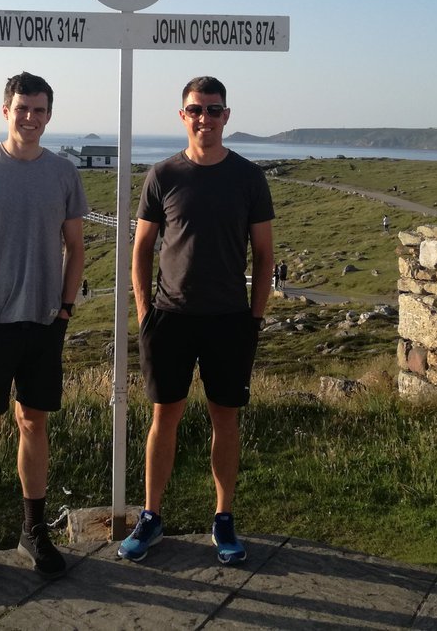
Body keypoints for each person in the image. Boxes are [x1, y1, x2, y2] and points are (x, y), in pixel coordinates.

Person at [118, 76, 274, 565]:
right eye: (195, 109)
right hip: (170, 319)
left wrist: (254, 318)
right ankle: (151, 516)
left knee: (224, 419)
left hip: (229, 320)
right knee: (164, 417)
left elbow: (266, 256)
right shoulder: (163, 175)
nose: (204, 117)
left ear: (227, 115)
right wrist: (145, 312)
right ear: (181, 115)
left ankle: (224, 518)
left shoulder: (249, 177)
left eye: (213, 109)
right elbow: (141, 250)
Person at [0, 72, 88, 595]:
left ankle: (32, 532)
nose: (31, 118)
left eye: (40, 110)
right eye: (22, 108)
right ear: (5, 110)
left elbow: (76, 247)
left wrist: (65, 311)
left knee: (34, 426)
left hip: (44, 325)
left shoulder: (63, 173)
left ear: (50, 115)